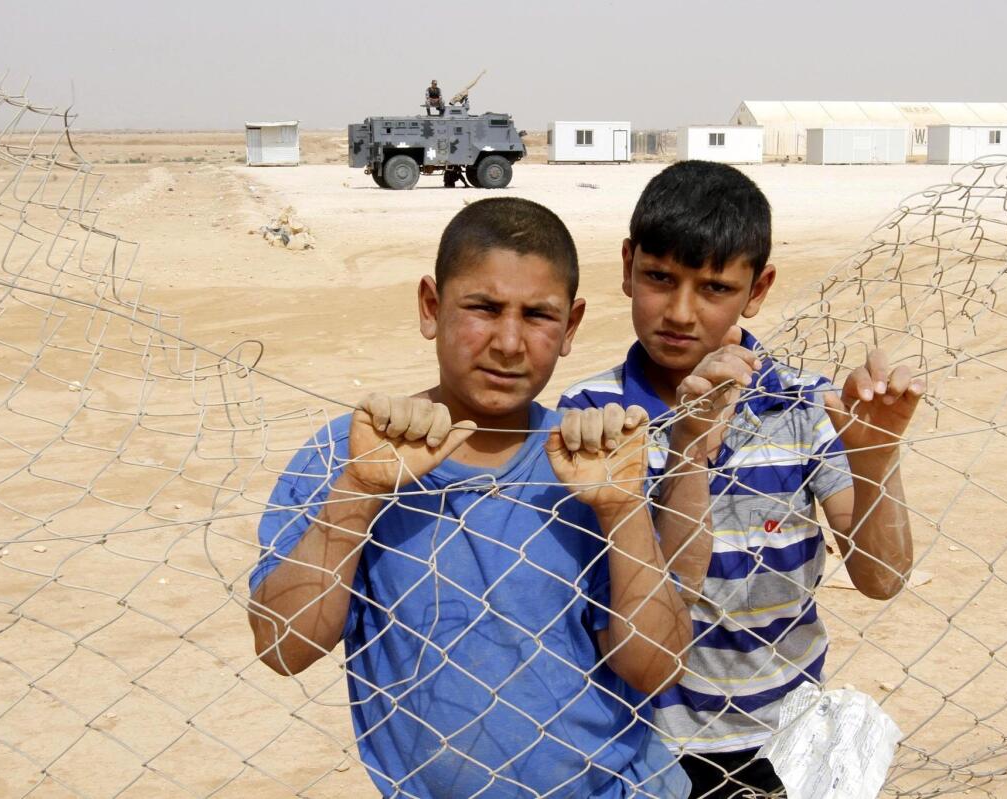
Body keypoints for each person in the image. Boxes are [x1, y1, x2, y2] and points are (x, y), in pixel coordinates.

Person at [248, 197, 692, 798]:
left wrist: (622, 508)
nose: (509, 343)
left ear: (571, 327)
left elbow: (655, 668)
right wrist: (360, 490)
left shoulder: (588, 465)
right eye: (483, 308)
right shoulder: (347, 456)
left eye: (538, 315)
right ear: (431, 308)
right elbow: (283, 647)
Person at [559, 161, 923, 798]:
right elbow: (657, 598)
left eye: (715, 288)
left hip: (780, 739)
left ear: (758, 289)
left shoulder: (804, 407)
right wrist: (688, 453)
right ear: (626, 266)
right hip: (639, 739)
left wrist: (877, 459)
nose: (680, 312)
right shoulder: (593, 417)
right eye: (659, 278)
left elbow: (881, 577)